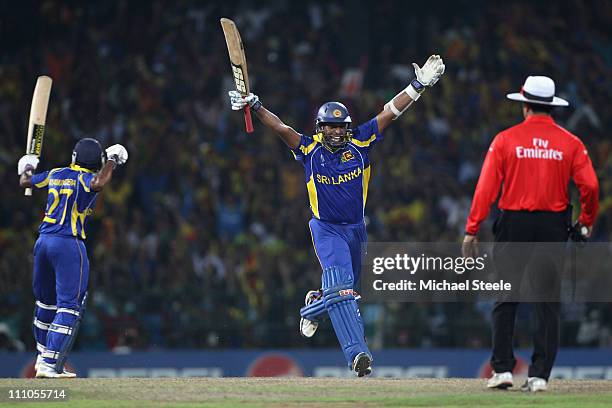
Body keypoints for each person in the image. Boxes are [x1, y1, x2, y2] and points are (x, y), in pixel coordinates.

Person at [229, 55, 445, 376]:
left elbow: (390, 112)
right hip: (326, 229)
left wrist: (419, 85)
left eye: (340, 126)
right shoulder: (308, 150)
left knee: (349, 293)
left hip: (357, 230)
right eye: (330, 126)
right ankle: (358, 355)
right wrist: (256, 105)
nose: (336, 132)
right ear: (320, 127)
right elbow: (281, 128)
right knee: (342, 288)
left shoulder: (360, 141)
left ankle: (312, 307)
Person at [461, 76, 599, 392]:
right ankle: (539, 376)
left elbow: (486, 188)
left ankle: (503, 371)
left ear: (524, 106)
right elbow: (590, 186)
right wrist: (585, 221)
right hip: (552, 226)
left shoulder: (506, 139)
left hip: (514, 224)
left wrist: (472, 229)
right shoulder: (571, 143)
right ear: (551, 107)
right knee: (547, 302)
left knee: (506, 296)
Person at [18, 138, 128, 378]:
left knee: (45, 303)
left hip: (43, 242)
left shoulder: (56, 173)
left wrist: (27, 166)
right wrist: (113, 161)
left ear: (74, 157)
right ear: (96, 162)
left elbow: (25, 181)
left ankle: (42, 356)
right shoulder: (87, 178)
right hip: (69, 243)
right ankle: (49, 364)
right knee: (70, 306)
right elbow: (99, 181)